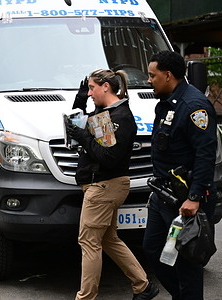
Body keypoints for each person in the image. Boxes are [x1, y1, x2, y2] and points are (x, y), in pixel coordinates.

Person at [67, 69, 159, 300]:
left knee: (88, 241)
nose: (89, 94)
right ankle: (143, 286)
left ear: (106, 87)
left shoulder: (121, 118)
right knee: (108, 239)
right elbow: (87, 120)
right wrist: (80, 99)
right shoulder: (107, 112)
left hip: (104, 187)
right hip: (103, 185)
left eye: (91, 88)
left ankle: (85, 297)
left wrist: (83, 137)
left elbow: (108, 156)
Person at [143, 50, 217, 299]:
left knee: (187, 261)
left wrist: (195, 197)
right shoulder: (164, 103)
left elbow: (205, 155)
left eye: (152, 75)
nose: (149, 80)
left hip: (184, 198)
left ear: (168, 75)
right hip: (161, 195)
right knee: (153, 249)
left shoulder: (194, 106)